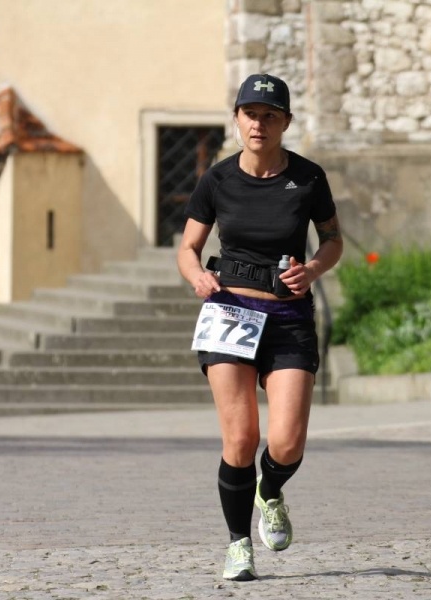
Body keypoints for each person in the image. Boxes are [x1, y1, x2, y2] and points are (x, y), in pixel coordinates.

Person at [177, 73, 343, 581]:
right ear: (236, 118)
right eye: (250, 114)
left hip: (288, 316)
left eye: (270, 116)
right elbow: (188, 248)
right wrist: (198, 276)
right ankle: (238, 543)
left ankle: (269, 491)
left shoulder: (309, 178)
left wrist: (312, 270)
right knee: (241, 437)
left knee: (287, 443)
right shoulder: (217, 180)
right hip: (229, 312)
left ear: (285, 123)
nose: (259, 124)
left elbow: (333, 240)